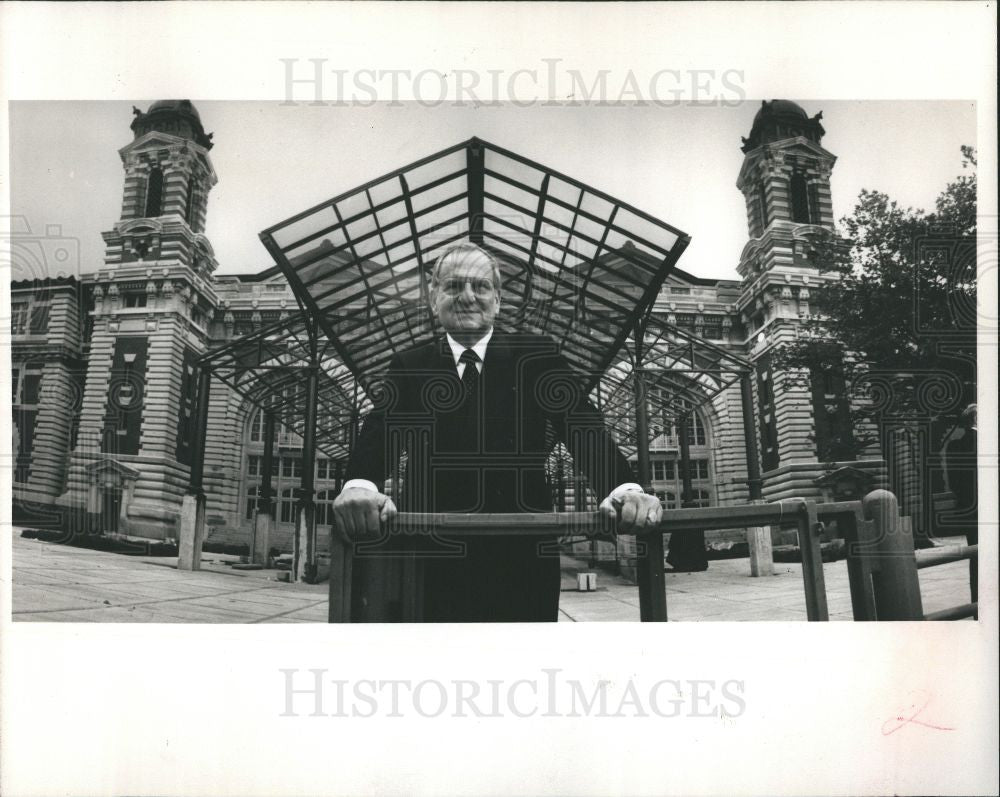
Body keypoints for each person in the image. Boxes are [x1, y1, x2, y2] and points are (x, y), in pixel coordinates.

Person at [333, 241, 662, 621]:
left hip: (521, 557)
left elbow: (582, 426)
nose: (468, 297)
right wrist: (359, 484)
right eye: (454, 286)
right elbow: (380, 430)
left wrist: (624, 489)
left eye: (481, 286)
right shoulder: (410, 365)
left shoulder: (538, 357)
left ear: (498, 299)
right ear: (433, 297)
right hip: (429, 560)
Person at [943, 403, 977, 602]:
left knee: (977, 560)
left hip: (969, 511)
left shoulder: (954, 446)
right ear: (976, 419)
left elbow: (954, 484)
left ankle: (978, 609)